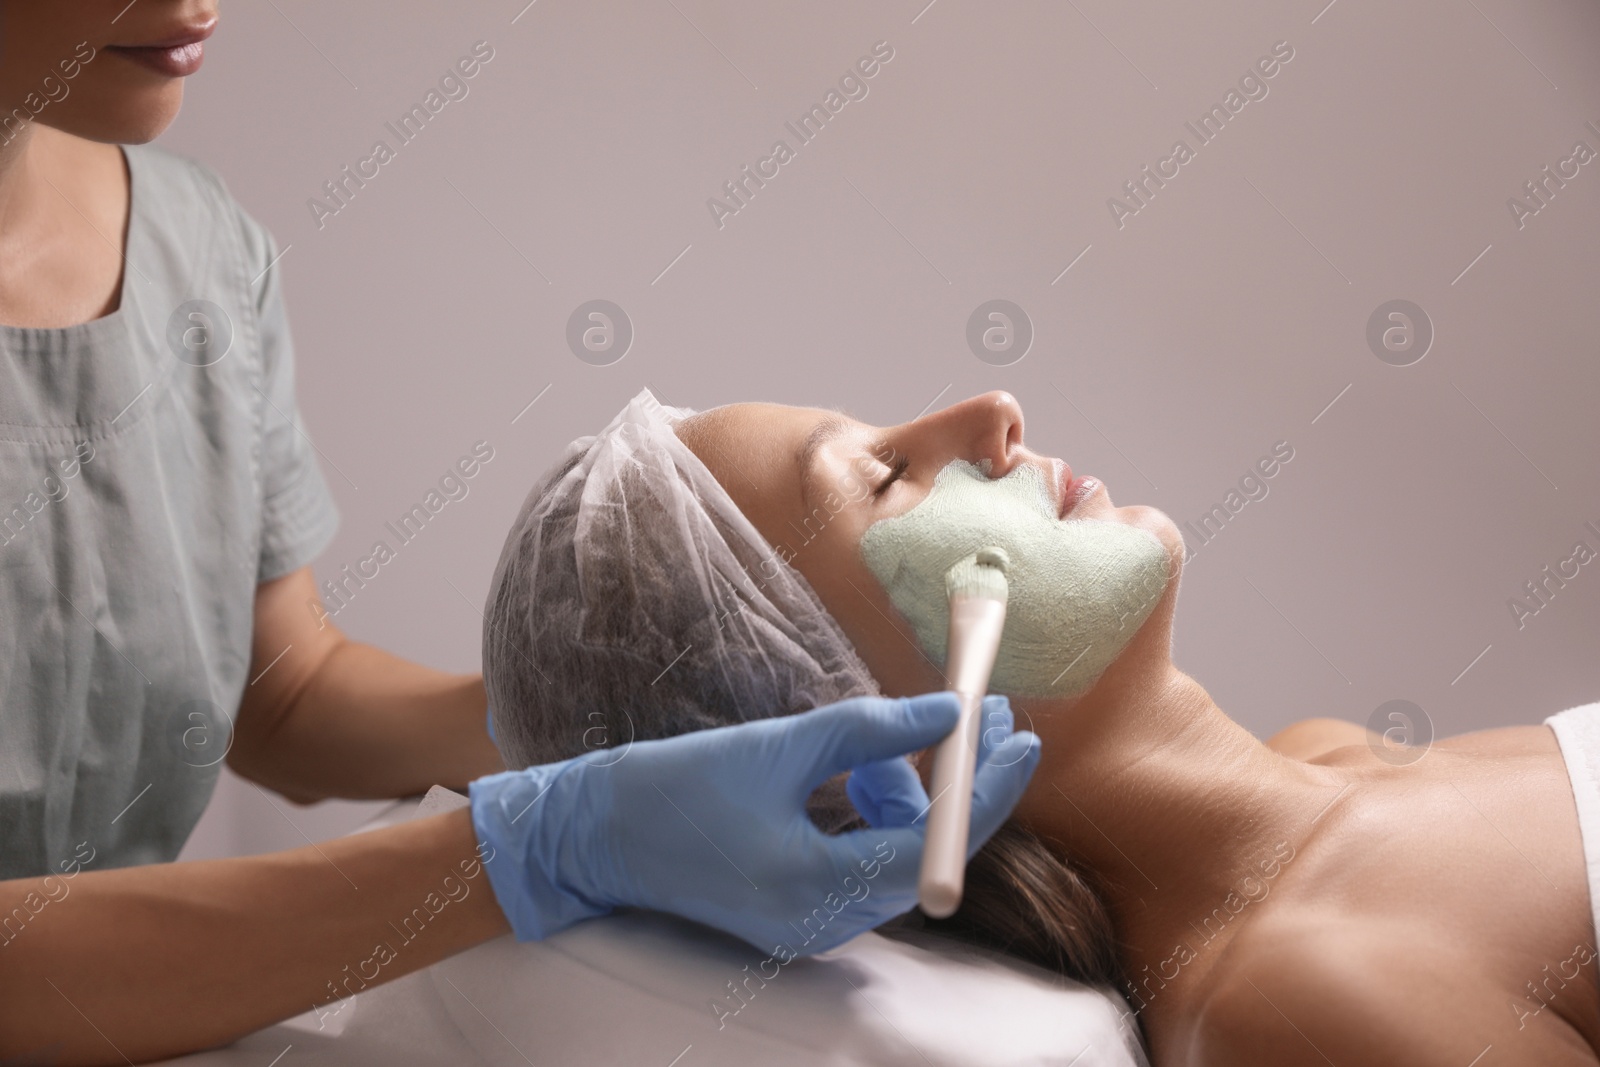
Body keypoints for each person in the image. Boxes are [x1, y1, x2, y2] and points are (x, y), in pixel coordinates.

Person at [0, 6, 1038, 1063]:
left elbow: (283, 697)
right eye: (880, 474)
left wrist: (633, 713)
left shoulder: (202, 254)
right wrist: (532, 849)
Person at [485, 386, 1600, 1066]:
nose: (989, 413)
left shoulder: (1327, 751)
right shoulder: (1303, 1000)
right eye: (886, 476)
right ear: (864, 744)